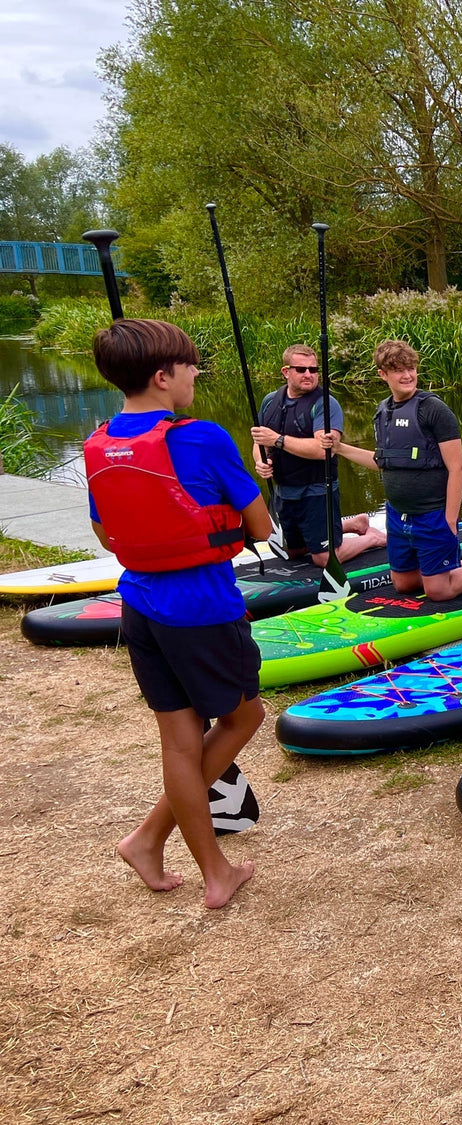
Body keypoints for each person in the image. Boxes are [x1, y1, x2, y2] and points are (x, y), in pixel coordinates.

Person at [83, 319, 269, 909]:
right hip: (204, 609)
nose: (195, 376)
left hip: (139, 604)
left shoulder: (99, 442)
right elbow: (260, 527)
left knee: (179, 744)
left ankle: (151, 843)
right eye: (190, 367)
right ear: (163, 376)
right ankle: (201, 866)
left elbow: (104, 532)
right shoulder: (205, 437)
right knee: (243, 718)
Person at [331, 339, 462, 600]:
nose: (407, 375)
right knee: (404, 584)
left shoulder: (434, 410)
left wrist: (450, 520)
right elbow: (381, 462)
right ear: (383, 374)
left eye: (411, 368)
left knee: (438, 591)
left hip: (432, 515)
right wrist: (340, 448)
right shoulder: (382, 412)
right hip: (398, 516)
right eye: (398, 370)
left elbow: (457, 467)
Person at [248, 342, 385, 566]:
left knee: (323, 557)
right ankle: (353, 524)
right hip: (285, 490)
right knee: (292, 552)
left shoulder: (326, 404)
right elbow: (260, 442)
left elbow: (324, 451)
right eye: (301, 370)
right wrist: (261, 461)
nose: (309, 374)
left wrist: (278, 440)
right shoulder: (270, 401)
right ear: (286, 372)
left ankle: (371, 538)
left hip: (317, 489)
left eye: (313, 370)